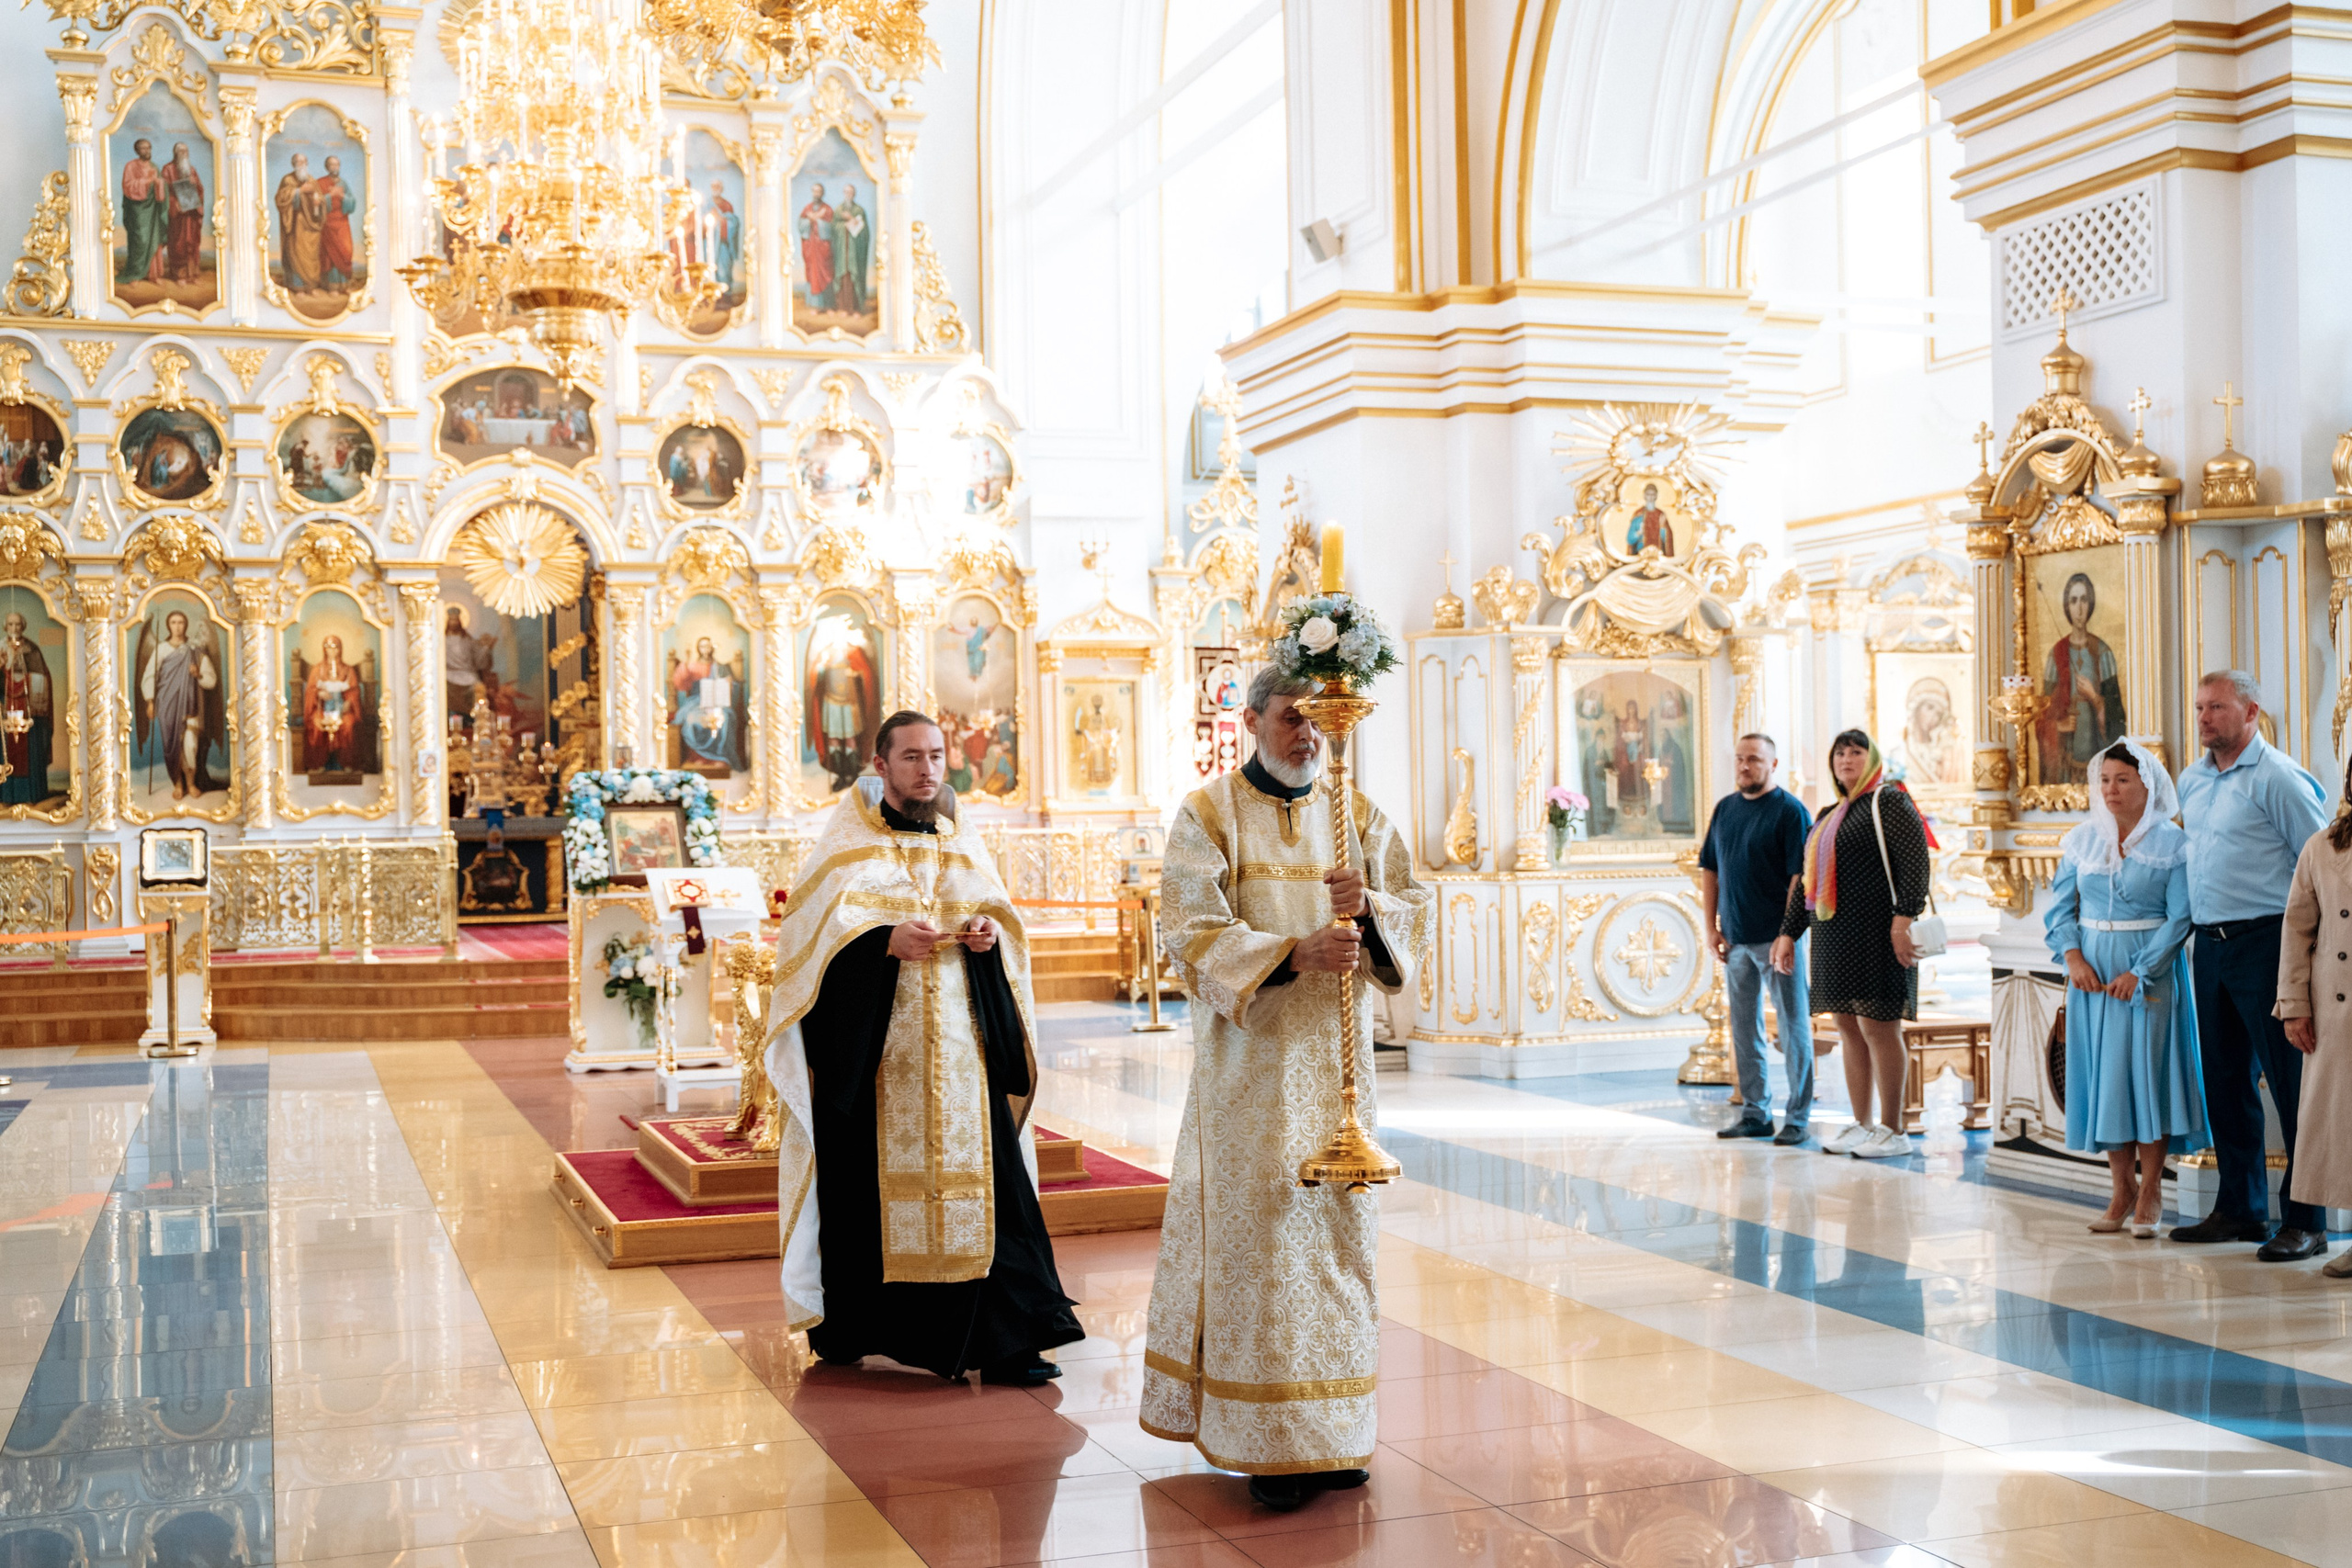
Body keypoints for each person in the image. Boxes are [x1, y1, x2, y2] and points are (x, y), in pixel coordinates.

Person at [1141, 669, 1433, 1511]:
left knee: (1341, 1246)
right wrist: (1292, 954)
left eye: (1315, 721)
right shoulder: (1208, 815)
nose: (1305, 734)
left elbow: (1412, 905)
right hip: (1251, 1077)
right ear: (1252, 720)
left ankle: (1335, 1434)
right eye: (1288, 717)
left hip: (1341, 1076)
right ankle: (1267, 1441)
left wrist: (1371, 908)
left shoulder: (1359, 813)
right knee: (1265, 1249)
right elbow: (1190, 929)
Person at [758, 711, 1081, 1383]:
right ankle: (865, 1326)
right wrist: (880, 944)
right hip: (878, 1070)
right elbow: (806, 953)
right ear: (880, 765)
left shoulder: (963, 842)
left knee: (997, 1194)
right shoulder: (845, 848)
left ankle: (1007, 1339)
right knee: (869, 1202)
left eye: (936, 755)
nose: (928, 768)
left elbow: (1004, 927)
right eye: (911, 756)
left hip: (963, 1064)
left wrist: (989, 937)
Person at [2172, 671, 2333, 1258]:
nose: (2204, 717)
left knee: (2291, 1086)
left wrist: (2307, 962)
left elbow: (2321, 869)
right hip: (2208, 946)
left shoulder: (2279, 779)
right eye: (2199, 707)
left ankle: (2307, 1218)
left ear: (2251, 713)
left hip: (2268, 943)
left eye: (2217, 706)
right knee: (2225, 1079)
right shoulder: (2191, 780)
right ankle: (2240, 1208)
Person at [2045, 739, 2207, 1236]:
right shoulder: (2081, 841)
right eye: (2105, 780)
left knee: (2148, 1074)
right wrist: (2072, 957)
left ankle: (2153, 1187)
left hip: (2148, 976)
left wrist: (2141, 970)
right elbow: (2059, 908)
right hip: (2091, 975)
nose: (2111, 790)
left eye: (2123, 780)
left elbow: (2181, 917)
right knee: (2106, 1076)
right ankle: (2121, 1189)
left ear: (2147, 785)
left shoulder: (2172, 845)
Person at [1773, 730, 1931, 1160]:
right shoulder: (1827, 815)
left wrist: (1904, 918)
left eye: (1856, 751)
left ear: (1871, 758)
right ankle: (1861, 1125)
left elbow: (1915, 862)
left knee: (1879, 1026)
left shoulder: (1889, 802)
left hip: (1879, 933)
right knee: (1847, 1028)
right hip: (1834, 936)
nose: (1846, 758)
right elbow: (1807, 884)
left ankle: (1893, 1129)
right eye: (1840, 752)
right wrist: (1789, 932)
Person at [1701, 734, 1815, 1145]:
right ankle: (1756, 1112)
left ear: (1773, 764)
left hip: (1777, 939)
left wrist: (1788, 933)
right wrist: (1711, 926)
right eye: (1739, 759)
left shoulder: (1790, 812)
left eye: (1754, 759)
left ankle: (1799, 1117)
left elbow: (1797, 879)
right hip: (1735, 939)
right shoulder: (1725, 809)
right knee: (1743, 1027)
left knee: (1792, 1026)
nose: (1745, 766)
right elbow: (1710, 869)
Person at [2279, 752, 2352, 1276]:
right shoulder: (2324, 847)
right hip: (2338, 1010)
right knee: (2343, 1127)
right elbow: (2297, 931)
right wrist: (2294, 1007)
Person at [2038, 570, 2125, 787]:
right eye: (2073, 600)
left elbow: (2118, 720)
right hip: (2065, 764)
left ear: (2091, 603)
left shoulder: (2103, 653)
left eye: (2084, 600)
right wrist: (2059, 726)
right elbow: (2042, 715)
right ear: (2066, 606)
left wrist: (2095, 698)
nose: (2079, 608)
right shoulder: (2056, 654)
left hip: (2098, 763)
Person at [140, 609, 221, 802]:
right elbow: (149, 676)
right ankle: (178, 783)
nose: (177, 627)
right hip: (168, 704)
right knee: (172, 745)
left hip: (191, 705)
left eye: (181, 622)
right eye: (173, 622)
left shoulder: (195, 650)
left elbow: (211, 679)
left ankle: (191, 783)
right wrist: (150, 701)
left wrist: (198, 675)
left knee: (190, 745)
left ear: (186, 625)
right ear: (168, 625)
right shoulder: (161, 649)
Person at [0, 610, 54, 807]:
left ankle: (31, 794)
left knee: (29, 752)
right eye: (10, 624)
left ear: (22, 627)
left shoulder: (32, 649)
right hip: (5, 708)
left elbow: (43, 678)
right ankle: (5, 796)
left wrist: (25, 679)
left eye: (17, 625)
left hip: (29, 711)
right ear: (5, 627)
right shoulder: (0, 648)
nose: (14, 628)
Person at [300, 634, 365, 775]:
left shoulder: (348, 670)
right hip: (322, 707)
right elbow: (310, 690)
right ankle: (319, 764)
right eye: (328, 647)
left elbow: (354, 690)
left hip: (343, 708)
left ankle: (347, 763)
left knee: (348, 724)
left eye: (335, 647)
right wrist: (318, 693)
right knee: (317, 724)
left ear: (340, 649)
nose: (332, 651)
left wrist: (349, 701)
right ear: (324, 649)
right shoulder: (317, 669)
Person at [118, 139, 165, 285]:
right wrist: (147, 181)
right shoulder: (131, 166)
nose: (147, 151)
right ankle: (135, 274)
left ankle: (153, 275)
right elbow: (128, 186)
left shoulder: (154, 167)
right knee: (140, 240)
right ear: (137, 150)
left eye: (149, 148)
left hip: (152, 211)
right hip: (137, 211)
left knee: (153, 240)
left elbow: (161, 191)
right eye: (143, 148)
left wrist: (159, 184)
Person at [162, 142, 206, 287]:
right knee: (178, 243)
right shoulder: (168, 169)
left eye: (186, 151)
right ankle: (179, 275)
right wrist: (175, 204)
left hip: (191, 214)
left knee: (191, 243)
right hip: (177, 215)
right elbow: (165, 192)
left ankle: (192, 274)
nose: (184, 154)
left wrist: (195, 184)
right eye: (181, 151)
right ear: (175, 153)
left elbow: (200, 189)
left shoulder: (192, 170)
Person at [274, 153, 320, 291]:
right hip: (295, 223)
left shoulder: (312, 180)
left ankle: (311, 286)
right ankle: (298, 286)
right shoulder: (288, 180)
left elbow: (320, 198)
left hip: (310, 225)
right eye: (298, 162)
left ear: (307, 163)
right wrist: (299, 191)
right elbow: (280, 198)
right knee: (296, 253)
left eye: (303, 161)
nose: (301, 164)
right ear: (293, 164)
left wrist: (318, 202)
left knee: (311, 255)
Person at [315, 155, 355, 291]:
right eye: (331, 165)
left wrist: (342, 195)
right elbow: (315, 202)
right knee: (330, 255)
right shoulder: (320, 183)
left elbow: (352, 202)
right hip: (328, 222)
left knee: (345, 251)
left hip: (342, 222)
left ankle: (344, 284)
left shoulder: (343, 184)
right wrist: (330, 195)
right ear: (327, 167)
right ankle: (332, 286)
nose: (334, 167)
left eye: (337, 164)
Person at [831, 182, 870, 317]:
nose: (848, 194)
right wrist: (845, 224)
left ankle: (856, 309)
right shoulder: (838, 210)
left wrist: (853, 219)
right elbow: (834, 228)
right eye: (846, 192)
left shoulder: (859, 211)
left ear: (854, 194)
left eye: (850, 192)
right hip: (842, 252)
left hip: (854, 252)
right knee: (843, 278)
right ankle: (843, 308)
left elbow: (865, 232)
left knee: (855, 278)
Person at [798, 184, 835, 311]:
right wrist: (809, 220)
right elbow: (800, 225)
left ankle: (828, 305)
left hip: (823, 248)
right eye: (814, 191)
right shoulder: (807, 209)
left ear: (822, 193)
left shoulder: (828, 209)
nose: (816, 194)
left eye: (819, 191)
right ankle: (814, 306)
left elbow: (832, 227)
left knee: (827, 273)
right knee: (812, 273)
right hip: (811, 247)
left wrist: (818, 220)